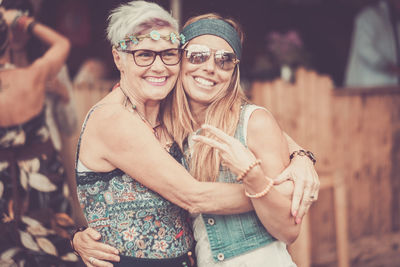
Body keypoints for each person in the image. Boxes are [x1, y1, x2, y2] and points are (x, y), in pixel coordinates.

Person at [72, 2, 319, 266]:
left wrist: (300, 155)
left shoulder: (167, 119)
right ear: (118, 57)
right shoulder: (118, 118)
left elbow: (256, 125)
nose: (157, 66)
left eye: (167, 54)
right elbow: (193, 196)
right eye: (144, 54)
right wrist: (269, 190)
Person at [0, 8, 80, 267]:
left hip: (3, 183)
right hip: (41, 176)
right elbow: (62, 43)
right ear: (7, 41)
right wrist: (22, 21)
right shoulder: (33, 75)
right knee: (53, 246)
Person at [345, 0, 400, 87]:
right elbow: (365, 49)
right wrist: (390, 67)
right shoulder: (369, 16)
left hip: (391, 89)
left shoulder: (396, 23)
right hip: (366, 89)